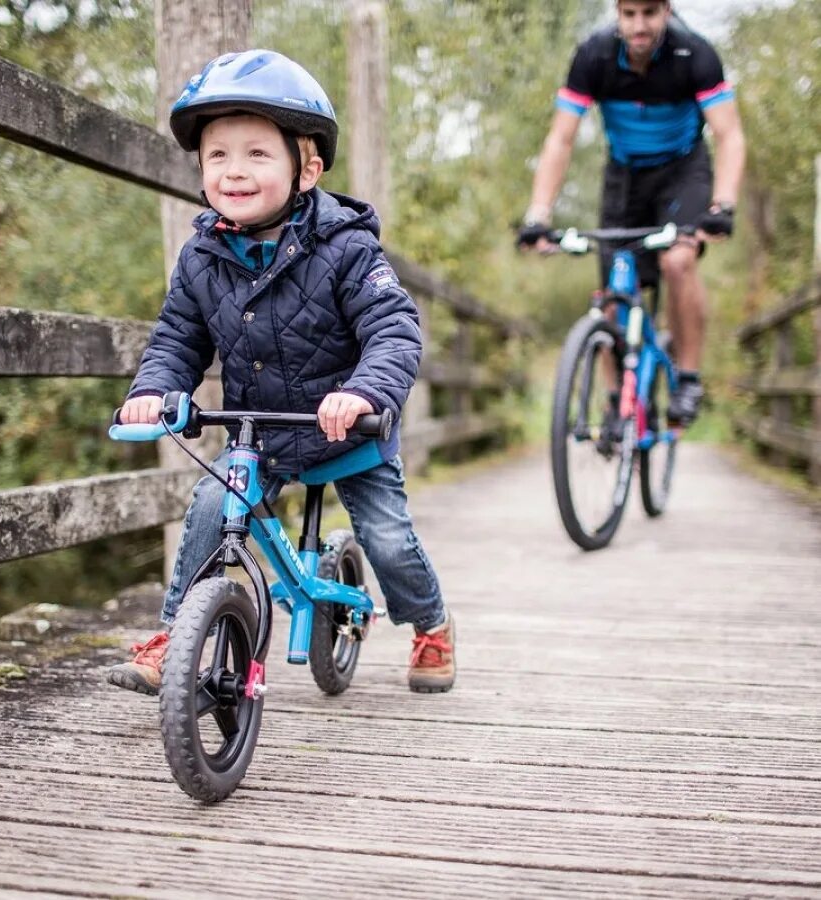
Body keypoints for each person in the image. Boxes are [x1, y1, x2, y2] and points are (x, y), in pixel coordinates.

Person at [107, 49, 454, 696]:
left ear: (308, 168)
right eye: (218, 156)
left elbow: (394, 330)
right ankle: (177, 630)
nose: (234, 171)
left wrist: (363, 392)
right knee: (213, 504)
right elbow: (177, 339)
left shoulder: (349, 248)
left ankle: (429, 623)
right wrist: (154, 392)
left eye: (257, 154)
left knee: (386, 538)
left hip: (349, 432)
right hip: (260, 434)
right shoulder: (200, 258)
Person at [517, 0, 746, 425]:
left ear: (666, 11)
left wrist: (724, 204)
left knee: (678, 261)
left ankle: (690, 376)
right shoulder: (594, 55)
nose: (639, 25)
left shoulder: (696, 54)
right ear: (617, 15)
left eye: (649, 13)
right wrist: (538, 214)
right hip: (624, 175)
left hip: (683, 169)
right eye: (629, 14)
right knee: (611, 294)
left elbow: (729, 134)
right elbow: (560, 141)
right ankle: (614, 401)